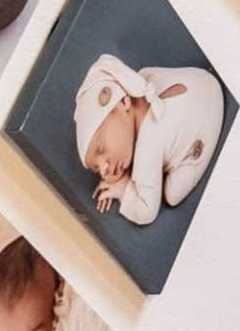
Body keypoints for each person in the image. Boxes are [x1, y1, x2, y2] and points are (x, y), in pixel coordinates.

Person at [72, 54, 223, 225]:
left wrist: (123, 189)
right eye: (96, 168)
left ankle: (193, 154)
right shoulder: (140, 82)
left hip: (205, 124)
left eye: (101, 148)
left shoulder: (147, 148)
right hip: (206, 82)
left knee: (172, 194)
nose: (104, 169)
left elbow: (146, 212)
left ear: (123, 102)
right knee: (148, 75)